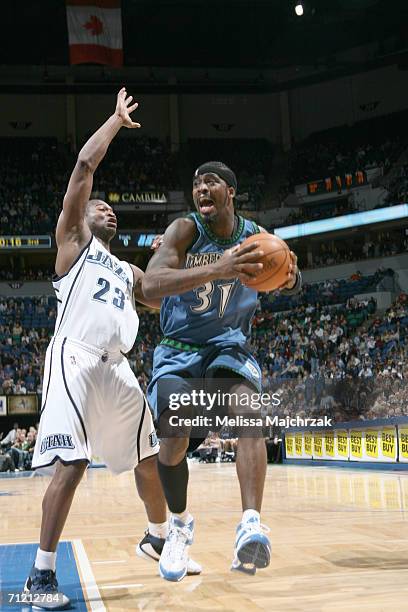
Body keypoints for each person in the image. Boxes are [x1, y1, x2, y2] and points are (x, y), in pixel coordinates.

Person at [24, 89, 199, 610]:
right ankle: (41, 574)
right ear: (84, 217)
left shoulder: (126, 271)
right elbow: (83, 166)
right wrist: (116, 122)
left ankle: (157, 537)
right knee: (72, 464)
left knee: (149, 457)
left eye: (112, 209)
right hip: (74, 356)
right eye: (102, 206)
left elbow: (160, 290)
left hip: (116, 367)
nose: (109, 211)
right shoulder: (73, 244)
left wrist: (214, 271)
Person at [142, 161, 302, 581]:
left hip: (228, 345)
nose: (201, 188)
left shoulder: (258, 239)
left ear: (230, 191)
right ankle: (178, 527)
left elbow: (292, 275)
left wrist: (288, 278)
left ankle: (251, 523)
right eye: (195, 183)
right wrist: (219, 267)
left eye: (210, 182)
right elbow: (150, 286)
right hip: (179, 349)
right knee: (174, 435)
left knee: (249, 414)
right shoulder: (184, 230)